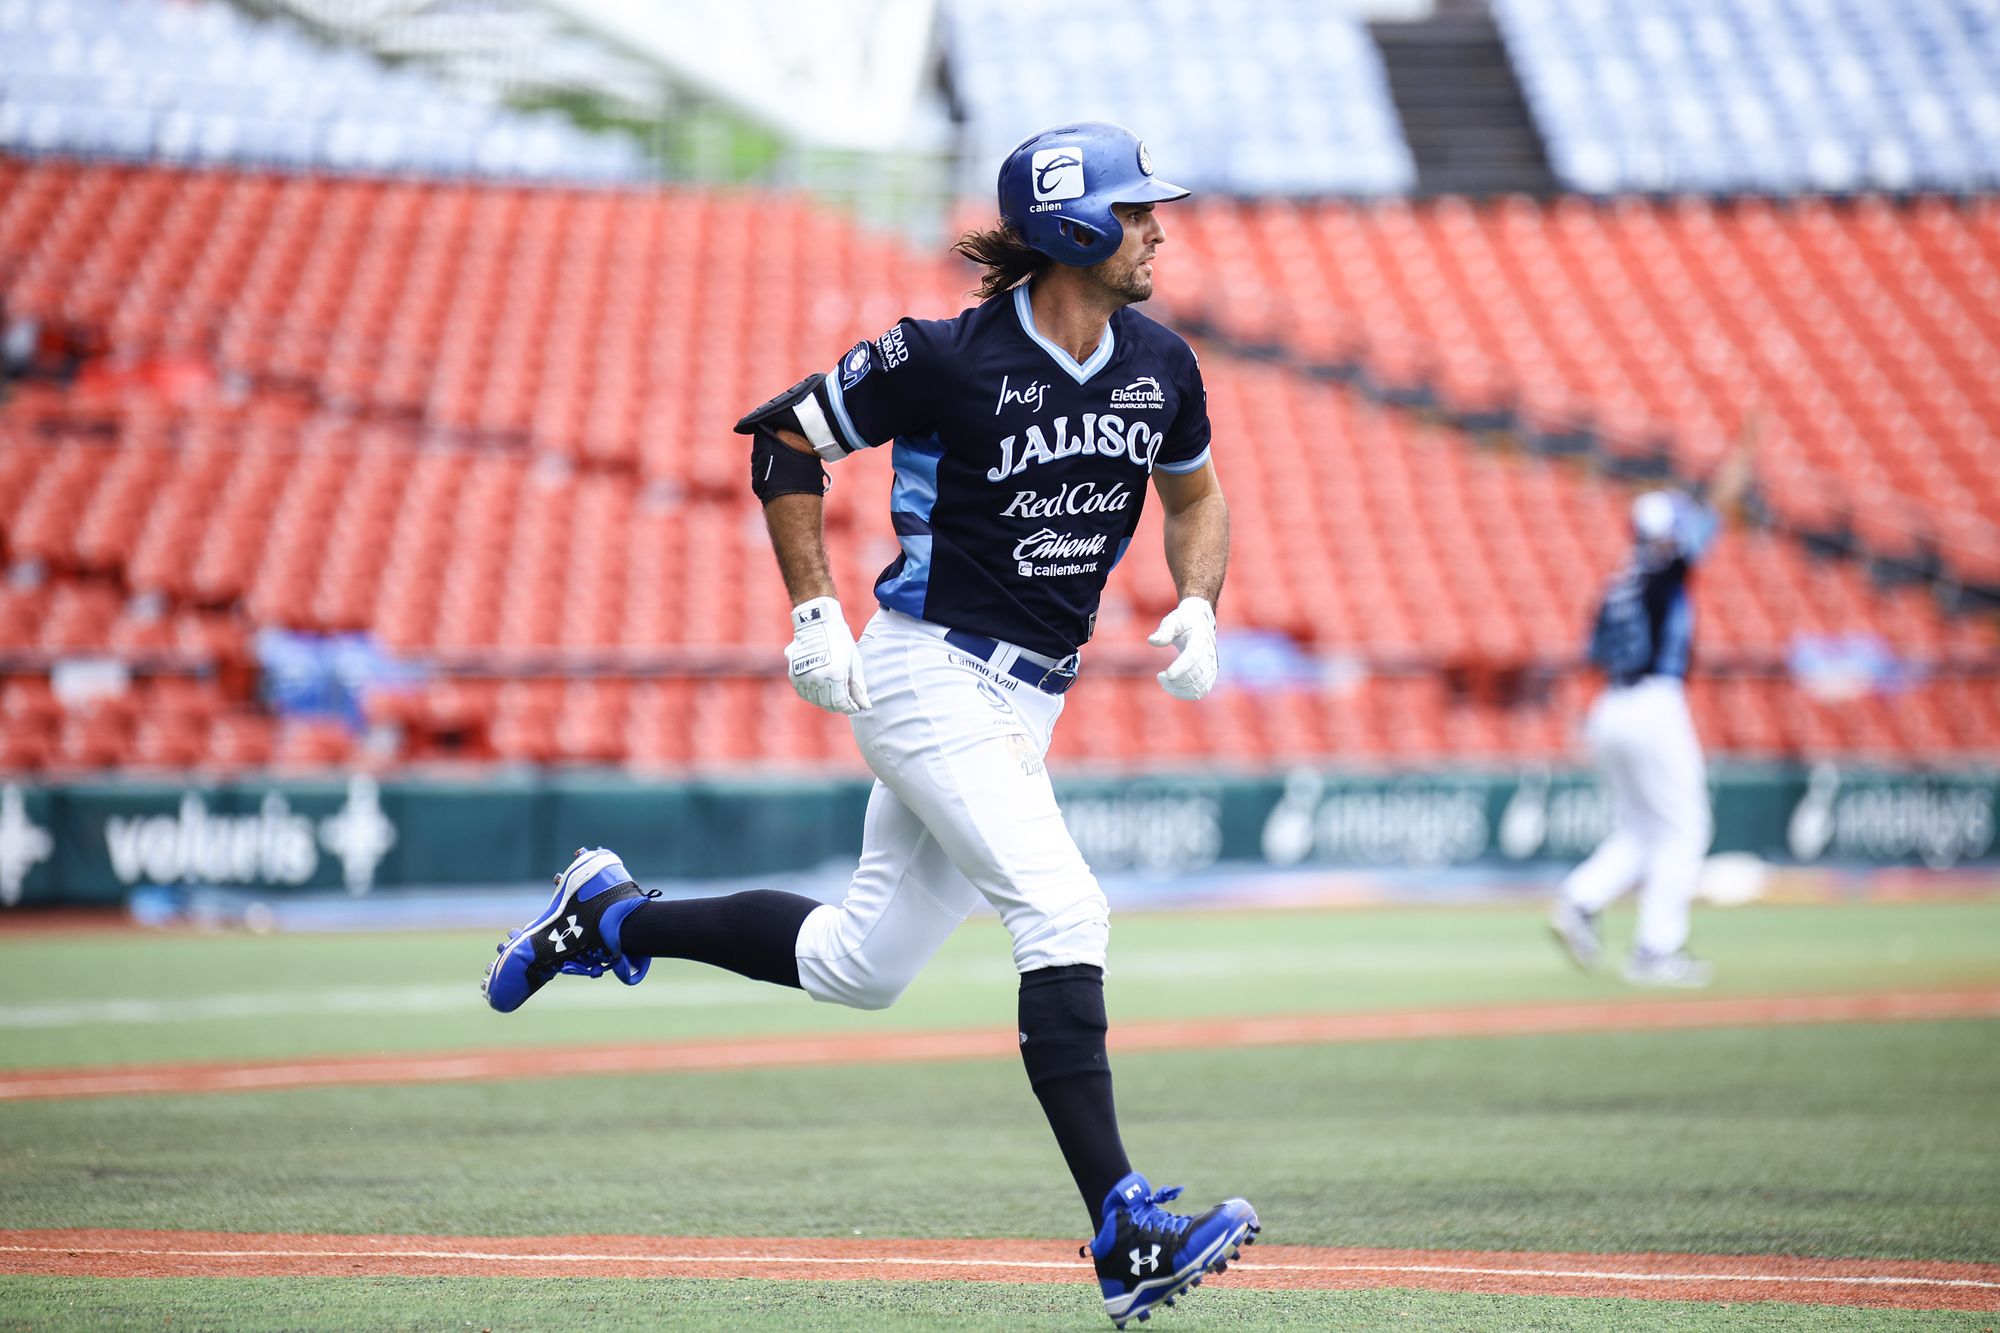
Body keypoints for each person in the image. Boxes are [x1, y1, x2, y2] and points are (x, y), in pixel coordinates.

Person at [482, 121, 1257, 1328]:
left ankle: (609, 914)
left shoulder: (1159, 361)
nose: (1159, 226)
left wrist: (1199, 602)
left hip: (1026, 699)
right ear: (1074, 229)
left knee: (860, 966)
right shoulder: (942, 357)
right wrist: (812, 614)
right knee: (1063, 909)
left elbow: (1195, 493)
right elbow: (785, 435)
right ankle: (1122, 1227)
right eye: (1136, 209)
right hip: (927, 672)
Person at [1549, 429, 1757, 987]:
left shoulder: (1618, 583)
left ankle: (1580, 898)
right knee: (1685, 829)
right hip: (1653, 703)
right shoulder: (1664, 572)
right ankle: (1656, 949)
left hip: (1610, 707)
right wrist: (1742, 453)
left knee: (1642, 829)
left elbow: (1590, 655)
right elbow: (1715, 506)